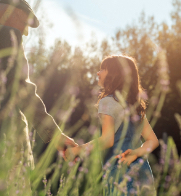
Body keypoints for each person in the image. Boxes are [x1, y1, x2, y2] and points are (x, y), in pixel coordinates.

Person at [0, 0, 77, 194]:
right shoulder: (7, 35)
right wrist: (54, 136)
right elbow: (22, 90)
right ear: (13, 14)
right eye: (25, 24)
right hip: (2, 146)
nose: (25, 32)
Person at [65, 55, 159, 195]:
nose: (98, 72)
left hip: (120, 173)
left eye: (103, 69)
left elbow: (107, 140)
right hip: (143, 171)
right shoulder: (135, 107)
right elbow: (153, 141)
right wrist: (135, 153)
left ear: (115, 75)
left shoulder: (107, 102)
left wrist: (77, 151)